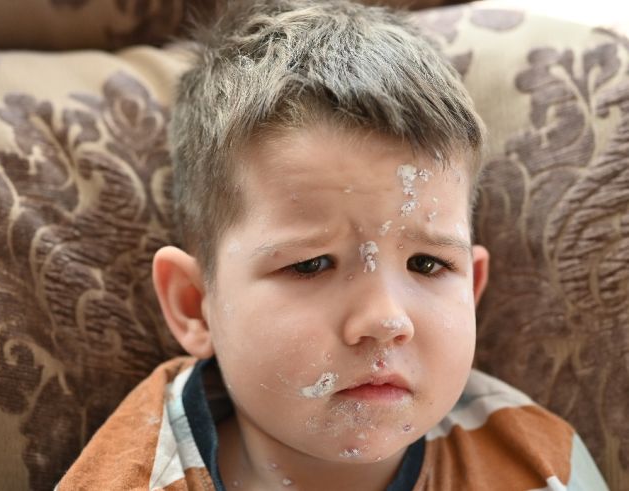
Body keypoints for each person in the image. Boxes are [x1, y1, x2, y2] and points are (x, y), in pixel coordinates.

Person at [58, 1, 608, 489]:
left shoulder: (540, 464)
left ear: (474, 288)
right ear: (193, 305)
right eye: (311, 264)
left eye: (428, 264)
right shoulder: (131, 478)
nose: (386, 319)